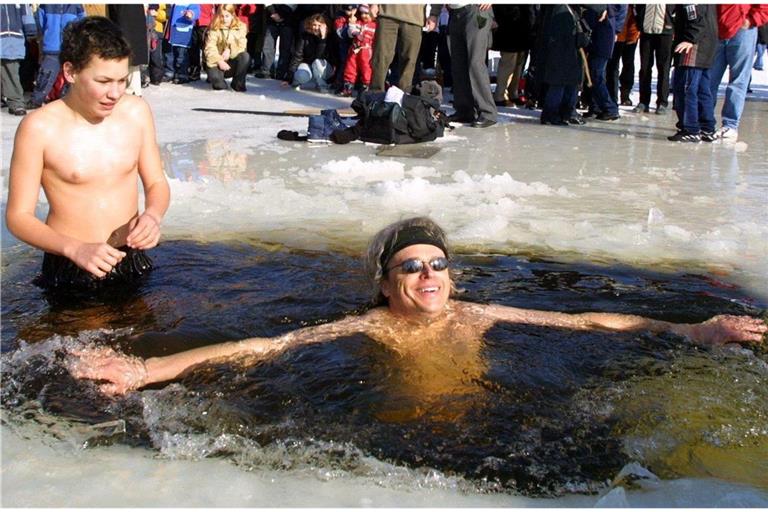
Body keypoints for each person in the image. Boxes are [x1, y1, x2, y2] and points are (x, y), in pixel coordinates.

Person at [68, 216, 766, 395]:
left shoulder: (479, 313)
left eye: (437, 264)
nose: (429, 275)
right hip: (405, 429)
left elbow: (588, 321)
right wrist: (144, 371)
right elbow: (258, 348)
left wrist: (695, 329)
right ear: (385, 284)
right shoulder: (370, 324)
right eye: (411, 266)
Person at [5, 16, 170, 291]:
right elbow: (18, 216)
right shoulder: (39, 128)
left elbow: (156, 182)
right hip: (72, 263)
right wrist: (74, 248)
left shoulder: (136, 112)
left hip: (130, 256)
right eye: (103, 81)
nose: (115, 93)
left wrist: (153, 215)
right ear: (70, 72)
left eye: (122, 80)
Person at [708, 4, 768, 142]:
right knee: (709, 79)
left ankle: (730, 124)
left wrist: (750, 21)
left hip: (743, 32)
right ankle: (705, 119)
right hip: (716, 30)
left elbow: (764, 8)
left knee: (738, 81)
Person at [668, 4, 718, 143]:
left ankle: (690, 128)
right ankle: (707, 127)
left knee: (685, 89)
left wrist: (689, 39)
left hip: (694, 48)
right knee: (702, 89)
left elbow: (696, 19)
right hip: (707, 45)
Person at [446, 4, 497, 128]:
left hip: (476, 11)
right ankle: (464, 109)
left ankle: (487, 112)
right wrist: (434, 13)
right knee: (458, 63)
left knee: (475, 62)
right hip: (455, 12)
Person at [26, 4, 86, 109]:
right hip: (51, 46)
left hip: (70, 47)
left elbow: (84, 25)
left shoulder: (77, 6)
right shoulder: (45, 5)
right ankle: (36, 100)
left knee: (71, 76)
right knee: (45, 75)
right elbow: (39, 23)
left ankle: (67, 99)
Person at [632, 4, 674, 115]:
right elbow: (636, 7)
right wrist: (639, 22)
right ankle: (643, 101)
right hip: (646, 31)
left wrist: (672, 23)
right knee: (644, 68)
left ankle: (662, 102)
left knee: (664, 69)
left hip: (666, 32)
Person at [283, 13, 337, 93]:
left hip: (324, 69)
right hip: (308, 65)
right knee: (301, 74)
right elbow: (297, 56)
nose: (316, 28)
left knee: (317, 62)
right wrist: (289, 77)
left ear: (325, 26)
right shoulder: (305, 36)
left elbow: (321, 57)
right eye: (314, 25)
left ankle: (322, 85)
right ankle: (296, 82)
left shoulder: (330, 38)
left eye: (319, 25)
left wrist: (322, 39)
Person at [0, 3, 36, 116]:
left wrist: (31, 31)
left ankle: (16, 103)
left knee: (11, 72)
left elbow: (26, 13)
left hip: (11, 38)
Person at [204, 4, 250, 92]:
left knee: (245, 56)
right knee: (219, 85)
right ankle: (218, 82)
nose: (224, 19)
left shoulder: (241, 27)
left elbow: (242, 46)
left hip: (232, 62)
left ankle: (238, 84)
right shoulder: (214, 28)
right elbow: (209, 48)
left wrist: (229, 50)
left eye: (227, 16)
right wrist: (219, 60)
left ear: (233, 15)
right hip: (216, 62)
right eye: (222, 16)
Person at [338, 4, 377, 97]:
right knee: (350, 67)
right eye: (362, 13)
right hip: (355, 49)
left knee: (366, 68)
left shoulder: (375, 25)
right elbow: (350, 31)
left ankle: (365, 87)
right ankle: (348, 87)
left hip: (366, 50)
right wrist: (354, 30)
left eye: (366, 13)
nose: (364, 16)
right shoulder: (358, 23)